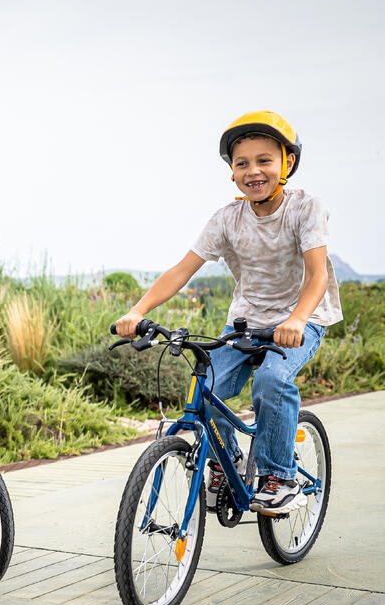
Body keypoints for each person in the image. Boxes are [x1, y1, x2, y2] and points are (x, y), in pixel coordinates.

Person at [113, 111, 342, 514]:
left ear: (287, 162)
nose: (253, 171)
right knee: (206, 387)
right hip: (246, 322)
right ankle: (226, 460)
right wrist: (137, 310)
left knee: (271, 381)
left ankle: (278, 475)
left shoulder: (305, 208)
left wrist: (298, 319)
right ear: (232, 172)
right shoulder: (227, 219)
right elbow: (182, 271)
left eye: (264, 160)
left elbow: (317, 273)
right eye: (242, 163)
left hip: (302, 320)